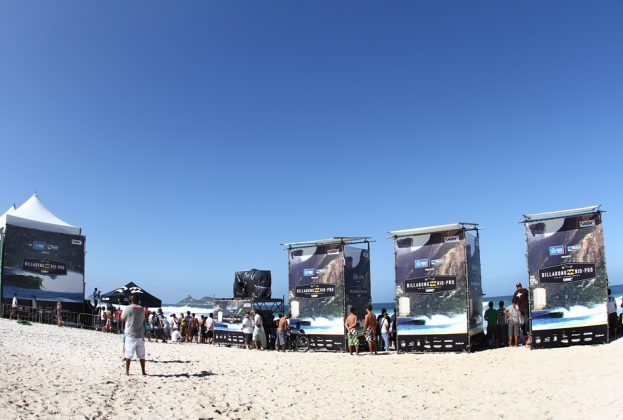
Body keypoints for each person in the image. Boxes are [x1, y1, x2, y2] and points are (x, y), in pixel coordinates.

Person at [121, 294, 146, 375]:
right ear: (138, 301)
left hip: (130, 334)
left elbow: (123, 318)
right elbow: (143, 319)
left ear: (130, 301)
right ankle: (143, 371)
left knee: (128, 354)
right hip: (140, 334)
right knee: (142, 355)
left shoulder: (128, 308)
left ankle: (127, 371)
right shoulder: (142, 309)